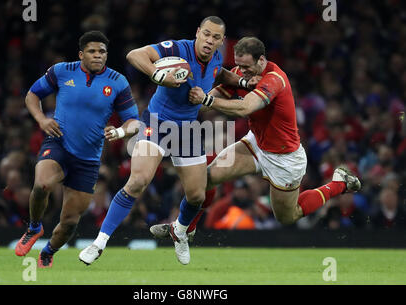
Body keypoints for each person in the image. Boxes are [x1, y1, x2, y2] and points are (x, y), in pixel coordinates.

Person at [150, 36, 361, 243]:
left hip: (284, 158)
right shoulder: (240, 74)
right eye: (238, 66)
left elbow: (245, 107)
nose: (242, 71)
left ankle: (339, 183)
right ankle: (185, 229)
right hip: (255, 145)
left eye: (247, 66)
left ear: (261, 60)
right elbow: (205, 103)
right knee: (207, 179)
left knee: (288, 216)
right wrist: (182, 86)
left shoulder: (275, 79)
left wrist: (206, 98)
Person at [79, 16, 252, 266]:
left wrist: (243, 83)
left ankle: (179, 232)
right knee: (138, 181)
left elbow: (220, 73)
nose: (209, 40)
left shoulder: (215, 57)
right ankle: (99, 243)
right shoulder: (178, 48)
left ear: (221, 41)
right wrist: (158, 75)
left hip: (188, 130)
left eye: (215, 37)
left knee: (196, 196)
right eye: (206, 34)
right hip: (157, 123)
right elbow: (134, 55)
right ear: (197, 33)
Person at [14, 31, 140, 268]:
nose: (98, 55)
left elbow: (134, 122)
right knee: (42, 184)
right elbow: (32, 95)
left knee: (70, 221)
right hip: (58, 142)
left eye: (102, 52)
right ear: (81, 54)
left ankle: (49, 252)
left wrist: (120, 132)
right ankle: (34, 228)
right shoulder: (61, 71)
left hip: (88, 160)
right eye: (92, 51)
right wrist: (41, 119)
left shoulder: (117, 81)